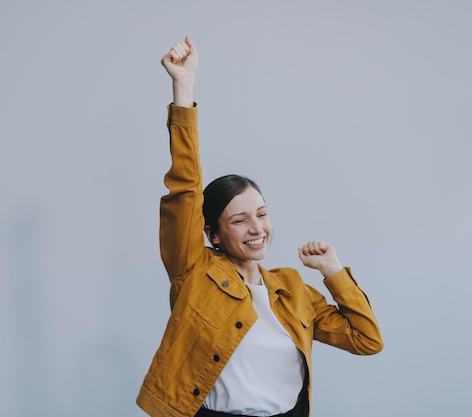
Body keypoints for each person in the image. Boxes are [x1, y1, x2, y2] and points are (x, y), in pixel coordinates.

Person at [136, 36, 384, 417]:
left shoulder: (293, 290)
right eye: (239, 219)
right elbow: (184, 188)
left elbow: (367, 340)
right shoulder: (195, 272)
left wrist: (333, 271)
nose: (256, 228)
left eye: (262, 213)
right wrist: (183, 87)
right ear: (214, 234)